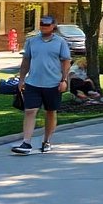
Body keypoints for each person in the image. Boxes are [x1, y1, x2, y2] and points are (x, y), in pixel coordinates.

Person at [11, 15, 71, 155]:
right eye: (42, 24)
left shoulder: (60, 42)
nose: (43, 26)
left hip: (53, 83)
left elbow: (66, 62)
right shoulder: (32, 41)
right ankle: (26, 143)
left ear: (53, 26)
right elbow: (26, 61)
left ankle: (47, 141)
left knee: (50, 112)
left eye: (47, 24)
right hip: (33, 83)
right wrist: (21, 79)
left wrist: (64, 80)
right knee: (30, 111)